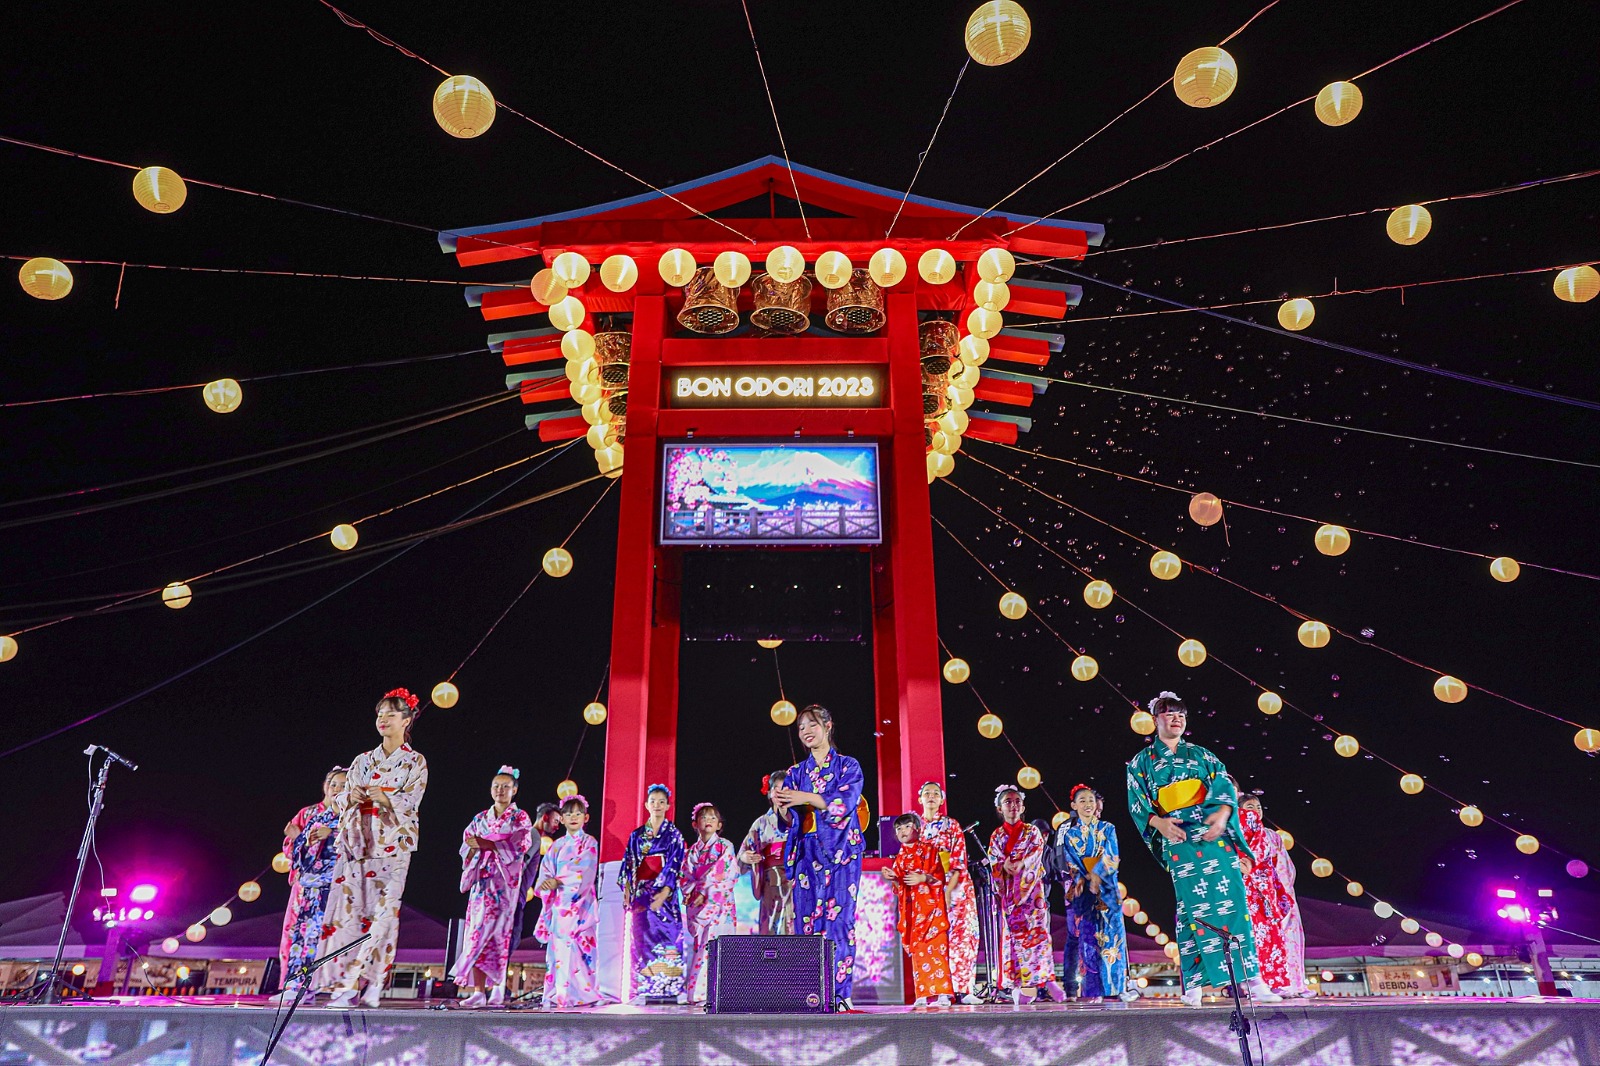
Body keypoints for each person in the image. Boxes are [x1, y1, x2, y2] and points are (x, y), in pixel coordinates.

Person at [1126, 691, 1282, 1008]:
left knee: (1233, 902)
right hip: (1178, 836)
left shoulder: (1202, 755)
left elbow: (1225, 786)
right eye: (1169, 713)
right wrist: (1158, 823)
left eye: (1181, 713)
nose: (1176, 718)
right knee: (1191, 909)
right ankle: (1194, 983)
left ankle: (1251, 977)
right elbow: (1137, 804)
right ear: (1155, 719)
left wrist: (1224, 814)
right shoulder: (1141, 763)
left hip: (1214, 833)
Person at [316, 688, 429, 1008]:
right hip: (357, 844)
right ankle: (347, 982)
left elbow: (411, 800)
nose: (383, 719)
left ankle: (371, 981)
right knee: (352, 915)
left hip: (393, 844)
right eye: (380, 714)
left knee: (383, 914)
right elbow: (342, 797)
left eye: (391, 714)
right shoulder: (363, 760)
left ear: (407, 720)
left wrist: (384, 798)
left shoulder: (414, 761)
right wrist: (348, 798)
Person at [772, 703, 867, 1010]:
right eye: (801, 728)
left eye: (811, 724)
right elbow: (788, 820)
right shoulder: (796, 773)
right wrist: (783, 806)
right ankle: (811, 993)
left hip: (841, 851)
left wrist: (808, 798)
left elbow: (845, 803)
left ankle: (840, 993)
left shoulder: (849, 766)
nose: (806, 732)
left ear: (828, 725)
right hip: (807, 852)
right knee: (806, 922)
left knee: (839, 921)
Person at [451, 766, 534, 1008]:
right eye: (496, 786)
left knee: (497, 935)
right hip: (481, 884)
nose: (500, 790)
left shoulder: (520, 818)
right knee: (476, 933)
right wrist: (480, 846)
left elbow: (520, 845)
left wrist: (487, 844)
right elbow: (467, 844)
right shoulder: (479, 818)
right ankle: (478, 990)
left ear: (514, 790)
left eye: (506, 786)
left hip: (502, 886)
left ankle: (497, 987)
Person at [1058, 785, 1136, 1002]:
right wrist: (1081, 879)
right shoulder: (1069, 834)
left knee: (1113, 940)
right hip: (1085, 892)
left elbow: (1112, 855)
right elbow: (1070, 860)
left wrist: (1097, 875)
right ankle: (1093, 991)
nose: (1087, 805)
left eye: (1090, 800)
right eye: (1082, 801)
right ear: (1074, 806)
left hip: (1107, 891)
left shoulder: (1108, 828)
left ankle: (1118, 987)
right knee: (1088, 941)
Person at [276, 766, 346, 1000]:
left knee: (325, 936)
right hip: (307, 884)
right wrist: (299, 840)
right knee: (299, 934)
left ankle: (318, 985)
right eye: (333, 783)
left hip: (334, 885)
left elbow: (355, 844)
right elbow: (294, 846)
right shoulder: (309, 814)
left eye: (343, 785)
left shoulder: (350, 815)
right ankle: (294, 985)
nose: (336, 789)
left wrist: (327, 834)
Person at [986, 784, 1060, 1003]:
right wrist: (1003, 865)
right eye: (1008, 802)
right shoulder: (996, 835)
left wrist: (1021, 865)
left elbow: (1036, 855)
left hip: (1032, 896)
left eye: (1017, 801)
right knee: (1013, 940)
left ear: (1023, 806)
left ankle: (1045, 979)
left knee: (1038, 936)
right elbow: (994, 861)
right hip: (1009, 897)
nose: (1013, 806)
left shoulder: (1032, 831)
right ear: (1000, 808)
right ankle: (1020, 985)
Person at [618, 784, 687, 1003]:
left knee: (668, 937)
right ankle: (642, 989)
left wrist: (665, 890)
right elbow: (629, 864)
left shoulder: (674, 835)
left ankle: (671, 988)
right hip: (641, 894)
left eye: (661, 801)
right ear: (647, 805)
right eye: (653, 801)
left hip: (664, 895)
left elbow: (675, 864)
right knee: (641, 938)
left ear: (667, 805)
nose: (657, 805)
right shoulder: (637, 836)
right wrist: (628, 890)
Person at [915, 782, 982, 1004]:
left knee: (963, 938)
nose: (931, 797)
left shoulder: (951, 825)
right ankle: (938, 989)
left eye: (936, 794)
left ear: (942, 800)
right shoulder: (915, 827)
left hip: (956, 889)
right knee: (933, 939)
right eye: (927, 794)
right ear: (920, 799)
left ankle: (965, 989)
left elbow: (958, 859)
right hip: (927, 889)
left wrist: (949, 888)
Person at [1239, 795, 1312, 997]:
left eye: (1258, 806)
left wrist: (1282, 890)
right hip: (1251, 891)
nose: (1255, 810)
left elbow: (1284, 866)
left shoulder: (1272, 835)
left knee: (1286, 938)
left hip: (1274, 891)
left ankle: (1294, 984)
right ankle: (1260, 985)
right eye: (1249, 806)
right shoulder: (1237, 832)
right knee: (1258, 940)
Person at [534, 794, 600, 1009]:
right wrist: (546, 884)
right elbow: (545, 872)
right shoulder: (556, 846)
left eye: (578, 813)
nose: (573, 817)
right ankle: (559, 993)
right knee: (558, 953)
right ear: (561, 818)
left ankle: (583, 994)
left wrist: (558, 881)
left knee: (582, 948)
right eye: (568, 813)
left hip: (581, 906)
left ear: (586, 817)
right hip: (559, 907)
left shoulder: (590, 842)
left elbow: (586, 871)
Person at [882, 814, 952, 1007]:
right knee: (919, 953)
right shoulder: (900, 857)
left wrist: (923, 879)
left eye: (907, 827)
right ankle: (922, 993)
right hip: (913, 913)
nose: (902, 831)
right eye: (899, 829)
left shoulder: (930, 850)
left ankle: (942, 994)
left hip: (932, 910)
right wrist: (894, 878)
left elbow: (939, 876)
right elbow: (900, 886)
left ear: (918, 829)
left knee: (937, 951)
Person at [680, 802, 739, 1004]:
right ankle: (701, 992)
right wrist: (692, 893)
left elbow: (725, 874)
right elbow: (685, 877)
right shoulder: (691, 852)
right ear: (695, 823)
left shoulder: (725, 846)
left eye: (713, 817)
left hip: (719, 903)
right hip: (699, 904)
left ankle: (710, 992)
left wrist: (704, 892)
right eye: (704, 817)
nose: (709, 820)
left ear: (719, 825)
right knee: (699, 945)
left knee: (715, 944)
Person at [738, 772, 794, 935]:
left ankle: (794, 960)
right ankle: (768, 959)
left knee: (794, 925)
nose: (779, 792)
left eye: (784, 788)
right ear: (769, 793)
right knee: (769, 926)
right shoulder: (762, 822)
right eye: (775, 788)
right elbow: (744, 851)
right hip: (771, 880)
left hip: (796, 879)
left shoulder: (801, 820)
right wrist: (745, 857)